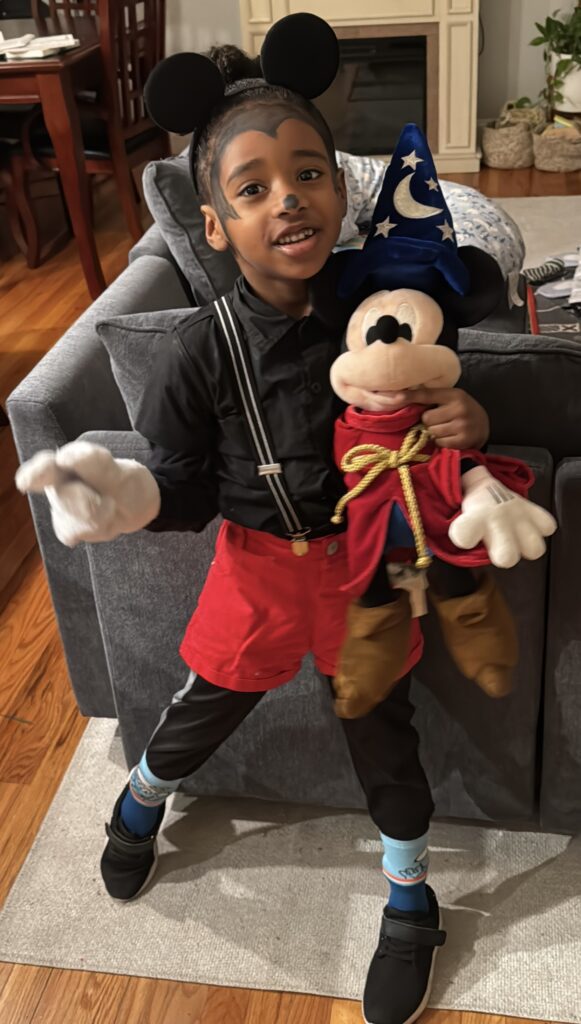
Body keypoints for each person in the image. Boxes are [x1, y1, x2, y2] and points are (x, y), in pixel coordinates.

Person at [16, 17, 500, 1024]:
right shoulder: (197, 350)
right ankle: (142, 798)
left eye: (307, 173)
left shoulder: (384, 309)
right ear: (213, 225)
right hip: (256, 567)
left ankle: (410, 898)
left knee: (385, 739)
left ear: (340, 191)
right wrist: (128, 498)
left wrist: (469, 416)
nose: (287, 197)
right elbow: (183, 487)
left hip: (364, 569)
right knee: (204, 708)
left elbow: (432, 406)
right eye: (252, 187)